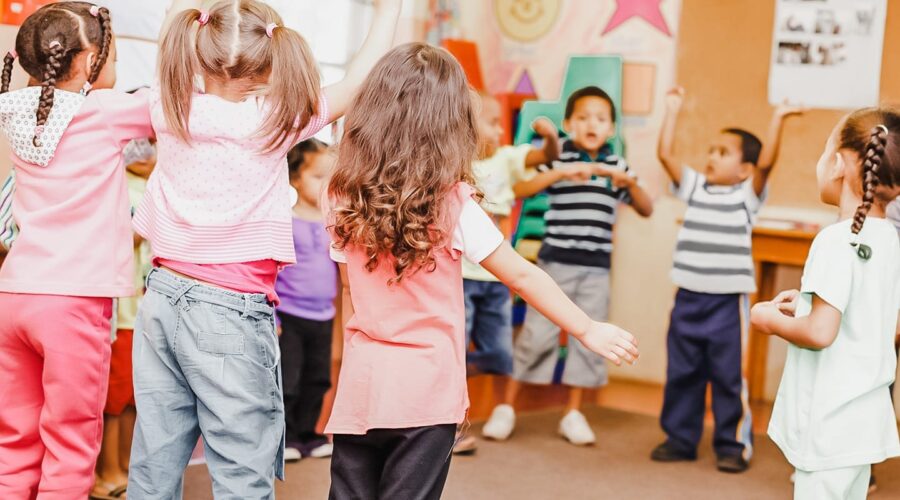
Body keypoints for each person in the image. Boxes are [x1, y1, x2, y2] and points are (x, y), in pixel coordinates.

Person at [325, 42, 640, 500]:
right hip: (427, 395)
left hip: (362, 384)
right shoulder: (452, 203)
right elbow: (522, 275)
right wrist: (587, 328)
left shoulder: (341, 194)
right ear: (452, 126)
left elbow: (350, 290)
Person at [127, 0, 402, 497]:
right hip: (229, 310)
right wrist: (387, 11)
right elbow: (357, 80)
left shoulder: (168, 104)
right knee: (241, 471)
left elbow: (174, 25)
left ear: (195, 49)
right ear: (270, 62)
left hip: (161, 300)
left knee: (154, 461)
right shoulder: (275, 121)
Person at [0, 4, 154, 497]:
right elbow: (171, 105)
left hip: (14, 296)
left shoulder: (16, 108)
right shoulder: (102, 112)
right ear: (90, 62)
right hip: (73, 303)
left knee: (14, 441)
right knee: (70, 445)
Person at [482, 86, 653, 446]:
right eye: (584, 117)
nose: (593, 124)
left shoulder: (615, 165)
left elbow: (646, 207)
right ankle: (507, 408)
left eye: (601, 119)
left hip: (596, 270)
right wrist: (561, 173)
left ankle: (573, 414)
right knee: (535, 335)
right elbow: (524, 188)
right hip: (554, 265)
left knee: (589, 341)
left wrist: (630, 182)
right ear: (569, 124)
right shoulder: (560, 160)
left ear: (611, 130)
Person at [752, 107, 900, 499]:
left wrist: (768, 319)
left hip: (829, 422)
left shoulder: (836, 240)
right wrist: (804, 301)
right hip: (863, 423)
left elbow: (820, 332)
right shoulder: (888, 239)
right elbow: (864, 313)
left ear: (836, 163)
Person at [651, 87, 801, 473]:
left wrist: (778, 117)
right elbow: (665, 155)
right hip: (687, 297)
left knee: (727, 375)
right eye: (711, 151)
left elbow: (767, 162)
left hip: (726, 303)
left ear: (744, 169)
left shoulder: (747, 195)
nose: (711, 157)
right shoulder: (696, 187)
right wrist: (672, 110)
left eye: (723, 152)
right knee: (682, 371)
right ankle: (680, 438)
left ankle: (732, 444)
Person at [276, 139, 338, 461]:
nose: (326, 185)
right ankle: (287, 438)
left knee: (319, 377)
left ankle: (310, 435)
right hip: (290, 315)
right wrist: (272, 317)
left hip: (323, 315)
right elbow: (271, 273)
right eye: (318, 176)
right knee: (289, 380)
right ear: (295, 179)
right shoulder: (286, 221)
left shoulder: (334, 224)